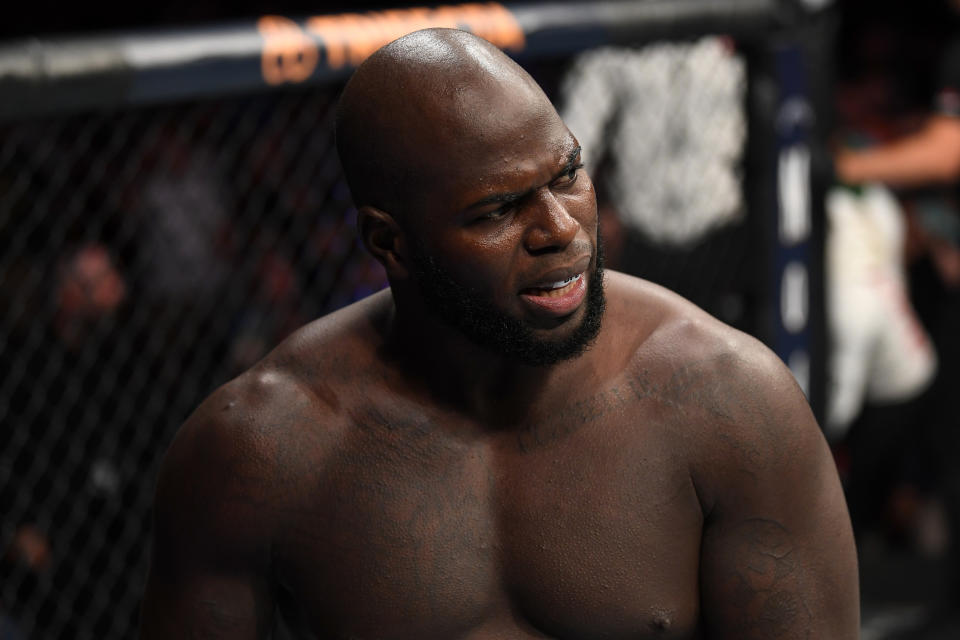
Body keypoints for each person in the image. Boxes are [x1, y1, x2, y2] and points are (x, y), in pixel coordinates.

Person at [139, 28, 859, 638]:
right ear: (390, 244)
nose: (561, 228)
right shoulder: (261, 449)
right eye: (496, 211)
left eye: (568, 174)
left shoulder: (727, 399)